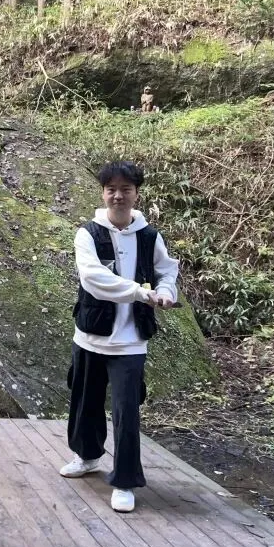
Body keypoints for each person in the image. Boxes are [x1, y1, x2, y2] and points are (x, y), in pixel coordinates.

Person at [59, 160, 179, 513]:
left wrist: (166, 291)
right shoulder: (87, 234)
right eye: (111, 189)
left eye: (126, 189)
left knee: (127, 411)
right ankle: (86, 456)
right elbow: (93, 279)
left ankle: (125, 481)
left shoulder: (149, 236)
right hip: (91, 335)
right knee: (85, 401)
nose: (118, 196)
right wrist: (142, 293)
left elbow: (166, 271)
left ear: (136, 194)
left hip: (131, 342)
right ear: (103, 193)